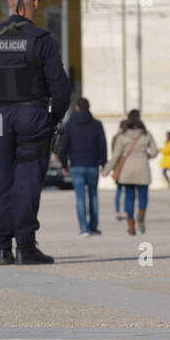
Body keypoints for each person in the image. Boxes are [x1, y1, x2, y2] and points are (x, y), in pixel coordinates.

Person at [0, 0, 72, 265]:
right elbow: (61, 89)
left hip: (2, 115)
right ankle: (26, 246)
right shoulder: (42, 40)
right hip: (33, 113)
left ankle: (2, 248)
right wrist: (52, 118)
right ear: (36, 5)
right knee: (27, 181)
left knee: (3, 179)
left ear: (9, 3)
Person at [58, 96, 108, 237]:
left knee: (80, 197)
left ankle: (84, 228)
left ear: (77, 108)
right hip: (92, 164)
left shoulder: (70, 125)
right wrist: (104, 163)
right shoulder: (97, 124)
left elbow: (63, 147)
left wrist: (64, 164)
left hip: (76, 165)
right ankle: (93, 226)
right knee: (93, 196)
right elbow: (102, 146)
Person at [107, 109, 159, 234]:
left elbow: (116, 155)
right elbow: (155, 151)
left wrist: (107, 169)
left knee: (129, 197)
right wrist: (146, 156)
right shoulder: (146, 134)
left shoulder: (122, 136)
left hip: (127, 170)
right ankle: (141, 213)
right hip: (142, 168)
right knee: (143, 195)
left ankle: (131, 225)